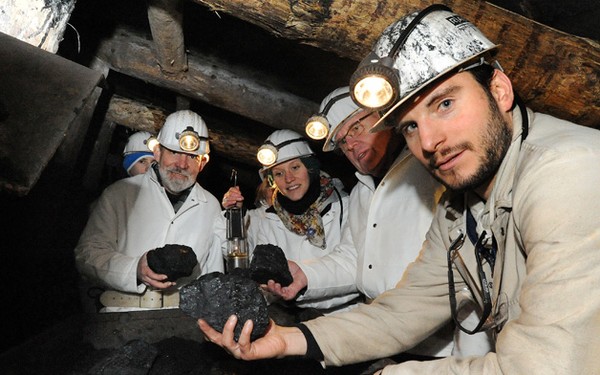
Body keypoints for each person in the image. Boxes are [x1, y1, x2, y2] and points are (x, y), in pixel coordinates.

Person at [198, 5, 600, 373]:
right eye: (409, 125)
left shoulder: (567, 172)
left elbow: (545, 366)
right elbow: (404, 311)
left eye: (444, 104)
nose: (428, 141)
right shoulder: (461, 205)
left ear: (499, 89)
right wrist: (289, 339)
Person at [268, 86, 481, 358]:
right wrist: (306, 274)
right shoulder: (361, 192)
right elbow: (353, 257)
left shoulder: (431, 170)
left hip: (440, 346)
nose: (351, 145)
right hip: (381, 336)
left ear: (385, 118)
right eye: (343, 141)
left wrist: (468, 355)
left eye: (356, 128)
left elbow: (469, 270)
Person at [75, 109, 226, 312]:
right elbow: (86, 255)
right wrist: (134, 269)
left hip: (182, 323)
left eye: (191, 157)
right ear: (157, 153)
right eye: (173, 152)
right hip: (120, 319)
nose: (181, 164)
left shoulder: (211, 206)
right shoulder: (120, 193)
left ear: (202, 163)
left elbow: (213, 277)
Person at [222, 129, 357, 314]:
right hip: (293, 321)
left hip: (344, 318)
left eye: (295, 167)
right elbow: (262, 282)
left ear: (310, 167)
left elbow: (356, 269)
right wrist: (234, 216)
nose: (288, 179)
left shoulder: (347, 207)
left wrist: (304, 279)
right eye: (278, 173)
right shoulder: (269, 220)